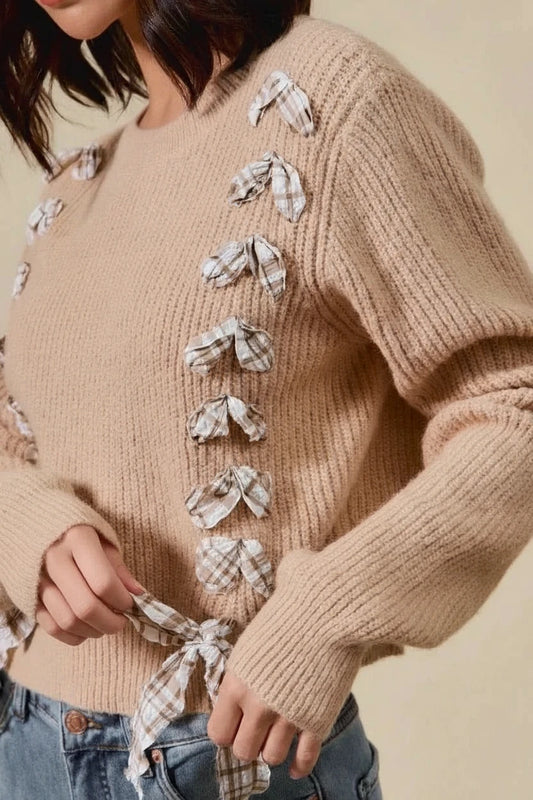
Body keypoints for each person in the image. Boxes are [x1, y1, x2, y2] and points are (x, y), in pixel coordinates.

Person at [0, 1, 532, 798]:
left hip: (227, 758)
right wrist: (30, 528)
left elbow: (512, 403)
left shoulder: (335, 104)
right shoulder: (79, 184)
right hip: (26, 745)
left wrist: (324, 617)